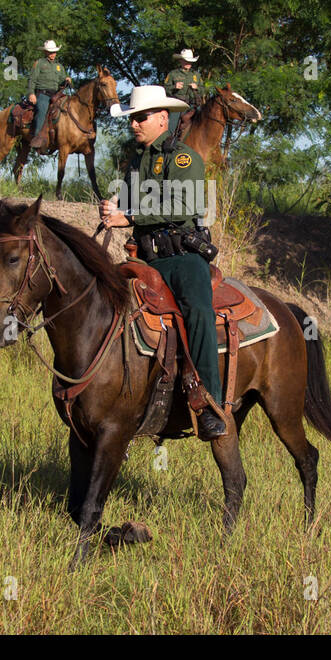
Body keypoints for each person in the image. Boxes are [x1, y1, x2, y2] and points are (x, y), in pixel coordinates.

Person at [98, 84, 226, 440]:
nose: (134, 124)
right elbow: (126, 203)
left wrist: (131, 217)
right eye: (132, 118)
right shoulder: (136, 162)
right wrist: (112, 209)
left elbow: (185, 206)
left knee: (199, 311)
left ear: (161, 118)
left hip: (181, 258)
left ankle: (209, 404)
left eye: (139, 118)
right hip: (144, 259)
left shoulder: (184, 158)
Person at [28, 40, 72, 152]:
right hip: (42, 94)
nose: (53, 54)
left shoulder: (59, 66)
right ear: (46, 52)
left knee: (68, 107)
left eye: (54, 52)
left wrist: (67, 80)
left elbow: (62, 79)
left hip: (56, 94)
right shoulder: (39, 63)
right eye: (50, 52)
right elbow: (32, 79)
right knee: (42, 110)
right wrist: (31, 93)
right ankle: (38, 138)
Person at [163, 49, 204, 137]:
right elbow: (165, 89)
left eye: (190, 61)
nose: (188, 63)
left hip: (193, 104)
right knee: (172, 126)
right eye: (186, 61)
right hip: (178, 105)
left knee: (205, 120)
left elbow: (203, 89)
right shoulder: (173, 74)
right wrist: (174, 87)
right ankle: (168, 142)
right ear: (181, 61)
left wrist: (197, 88)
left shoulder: (196, 75)